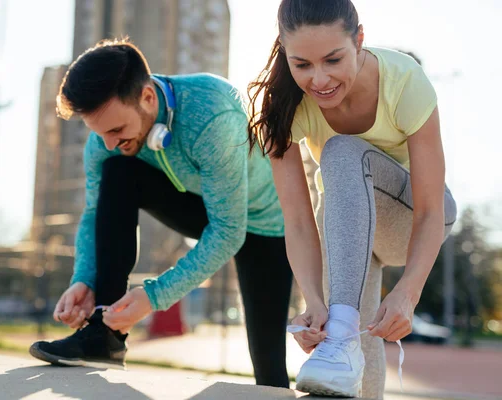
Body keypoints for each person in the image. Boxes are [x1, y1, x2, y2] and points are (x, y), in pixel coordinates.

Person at [28, 39, 294, 389]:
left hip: (264, 225)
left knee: (268, 368)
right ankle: (103, 334)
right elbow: (94, 214)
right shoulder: (105, 142)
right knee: (117, 171)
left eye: (116, 130)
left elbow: (229, 231)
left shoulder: (212, 114)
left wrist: (154, 296)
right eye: (99, 132)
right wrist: (85, 279)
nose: (108, 143)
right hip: (195, 204)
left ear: (148, 98)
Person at [247, 0, 457, 397]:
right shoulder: (281, 108)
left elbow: (430, 211)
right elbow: (297, 220)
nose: (320, 79)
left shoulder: (404, 81)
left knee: (342, 151)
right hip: (348, 233)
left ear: (359, 40)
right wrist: (313, 300)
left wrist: (407, 292)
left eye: (333, 59)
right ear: (284, 52)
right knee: (349, 345)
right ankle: (344, 345)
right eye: (302, 65)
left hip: (416, 220)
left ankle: (341, 333)